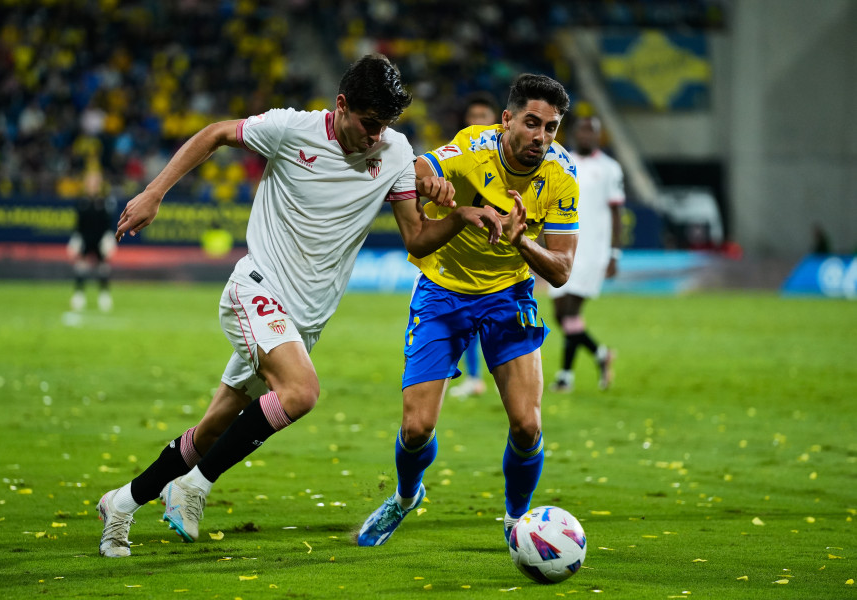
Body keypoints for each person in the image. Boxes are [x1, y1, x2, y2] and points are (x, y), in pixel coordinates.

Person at [96, 54, 503, 558]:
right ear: (341, 106)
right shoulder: (291, 129)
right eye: (369, 123)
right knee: (301, 391)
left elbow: (417, 240)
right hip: (257, 288)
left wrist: (461, 215)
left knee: (214, 427)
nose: (376, 136)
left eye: (385, 126)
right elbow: (216, 133)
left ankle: (122, 501)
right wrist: (154, 193)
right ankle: (194, 485)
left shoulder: (395, 151)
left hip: (304, 321)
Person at [357, 73, 580, 547]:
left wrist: (523, 243)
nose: (540, 137)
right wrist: (430, 185)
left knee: (527, 424)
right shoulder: (471, 147)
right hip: (443, 291)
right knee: (416, 429)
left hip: (509, 294)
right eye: (532, 123)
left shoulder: (562, 175)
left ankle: (517, 522)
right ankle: (404, 495)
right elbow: (412, 169)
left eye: (552, 128)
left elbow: (560, 269)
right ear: (507, 120)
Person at [548, 116, 624, 393]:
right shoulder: (561, 161)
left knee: (570, 311)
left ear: (598, 136)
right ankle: (601, 354)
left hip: (593, 251)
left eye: (591, 131)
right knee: (560, 314)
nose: (585, 135)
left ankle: (565, 376)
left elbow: (617, 213)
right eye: (581, 130)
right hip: (563, 248)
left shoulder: (609, 169)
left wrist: (614, 253)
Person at [448, 92, 500, 399]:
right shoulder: (456, 155)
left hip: (500, 251)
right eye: (473, 116)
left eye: (484, 116)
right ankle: (475, 376)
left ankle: (489, 374)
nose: (478, 122)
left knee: (495, 318)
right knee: (465, 316)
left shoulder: (509, 161)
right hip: (466, 247)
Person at [67, 170, 116, 312]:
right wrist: (75, 239)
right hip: (85, 238)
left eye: (95, 183)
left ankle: (104, 296)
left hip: (100, 239)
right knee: (81, 266)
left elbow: (108, 223)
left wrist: (108, 238)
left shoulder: (104, 202)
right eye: (90, 183)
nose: (92, 186)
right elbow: (78, 224)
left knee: (103, 268)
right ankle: (79, 295)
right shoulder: (82, 202)